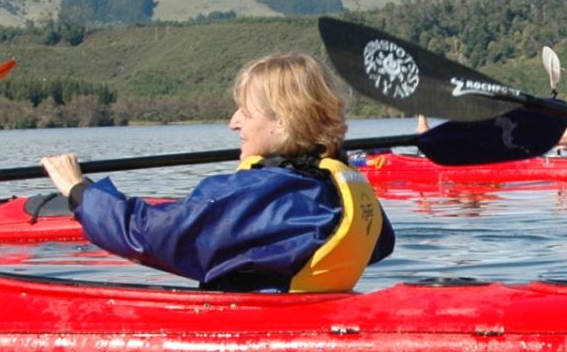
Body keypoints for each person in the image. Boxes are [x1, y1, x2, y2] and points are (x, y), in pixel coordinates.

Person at [39, 53, 395, 292]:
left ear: (284, 121)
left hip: (259, 329)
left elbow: (149, 235)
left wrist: (80, 192)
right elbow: (381, 245)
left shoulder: (257, 196)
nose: (233, 123)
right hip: (308, 314)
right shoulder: (333, 182)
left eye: (245, 111)